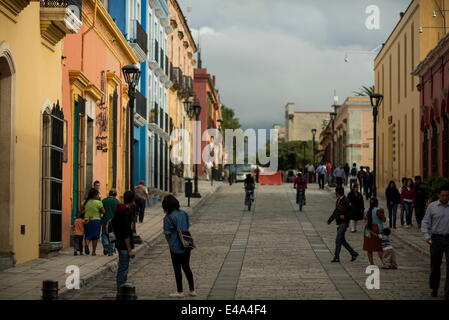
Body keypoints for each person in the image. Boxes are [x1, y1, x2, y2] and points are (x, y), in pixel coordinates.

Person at [162, 195, 196, 298]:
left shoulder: (168, 218)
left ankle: (180, 291)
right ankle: (192, 290)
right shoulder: (184, 213)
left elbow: (167, 234)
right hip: (186, 244)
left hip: (175, 246)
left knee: (177, 269)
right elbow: (187, 226)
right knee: (186, 267)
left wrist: (170, 243)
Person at [421, 185, 449, 300]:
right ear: (439, 195)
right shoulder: (432, 207)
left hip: (448, 238)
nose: (445, 197)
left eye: (447, 195)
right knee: (435, 265)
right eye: (443, 195)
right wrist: (427, 236)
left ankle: (447, 292)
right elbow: (425, 222)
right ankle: (434, 288)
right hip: (436, 239)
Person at [111, 190, 136, 296]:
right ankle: (121, 291)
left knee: (122, 268)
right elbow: (126, 234)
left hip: (118, 242)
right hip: (123, 245)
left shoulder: (119, 211)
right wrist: (130, 250)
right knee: (123, 269)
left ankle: (120, 290)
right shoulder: (126, 213)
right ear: (132, 200)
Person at [327, 187, 359, 263]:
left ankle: (336, 257)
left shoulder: (346, 200)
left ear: (338, 193)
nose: (335, 193)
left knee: (338, 240)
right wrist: (330, 219)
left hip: (343, 223)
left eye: (336, 192)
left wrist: (346, 216)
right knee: (342, 241)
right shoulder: (338, 200)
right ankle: (353, 253)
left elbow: (354, 209)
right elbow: (336, 211)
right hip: (339, 223)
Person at [363, 198, 386, 266]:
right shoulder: (378, 210)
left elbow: (365, 218)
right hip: (377, 229)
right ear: (377, 203)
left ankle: (371, 263)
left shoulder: (366, 210)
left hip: (368, 230)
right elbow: (384, 219)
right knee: (379, 247)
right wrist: (383, 212)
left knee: (369, 248)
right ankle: (384, 262)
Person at [82, 189, 105, 255]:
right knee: (95, 237)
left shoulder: (85, 202)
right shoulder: (98, 202)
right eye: (98, 194)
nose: (99, 196)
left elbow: (82, 211)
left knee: (88, 235)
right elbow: (103, 211)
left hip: (87, 220)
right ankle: (93, 251)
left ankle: (86, 245)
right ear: (94, 195)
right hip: (96, 220)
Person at [102, 189, 120, 256]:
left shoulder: (104, 200)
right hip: (113, 221)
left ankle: (105, 244)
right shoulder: (117, 201)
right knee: (112, 236)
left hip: (105, 220)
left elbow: (101, 210)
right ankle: (110, 252)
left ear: (109, 194)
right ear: (115, 195)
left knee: (104, 234)